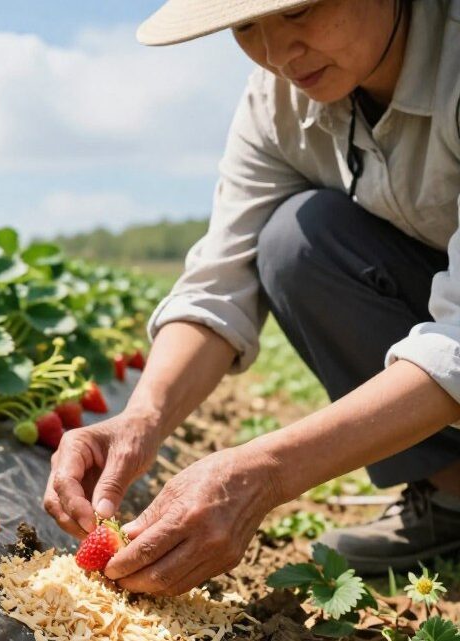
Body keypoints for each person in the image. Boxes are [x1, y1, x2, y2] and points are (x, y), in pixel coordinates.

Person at [43, 0, 460, 595]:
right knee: (298, 241)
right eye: (245, 25)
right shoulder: (278, 99)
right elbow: (221, 280)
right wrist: (142, 419)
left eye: (299, 10)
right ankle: (453, 498)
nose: (276, 53)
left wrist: (265, 473)